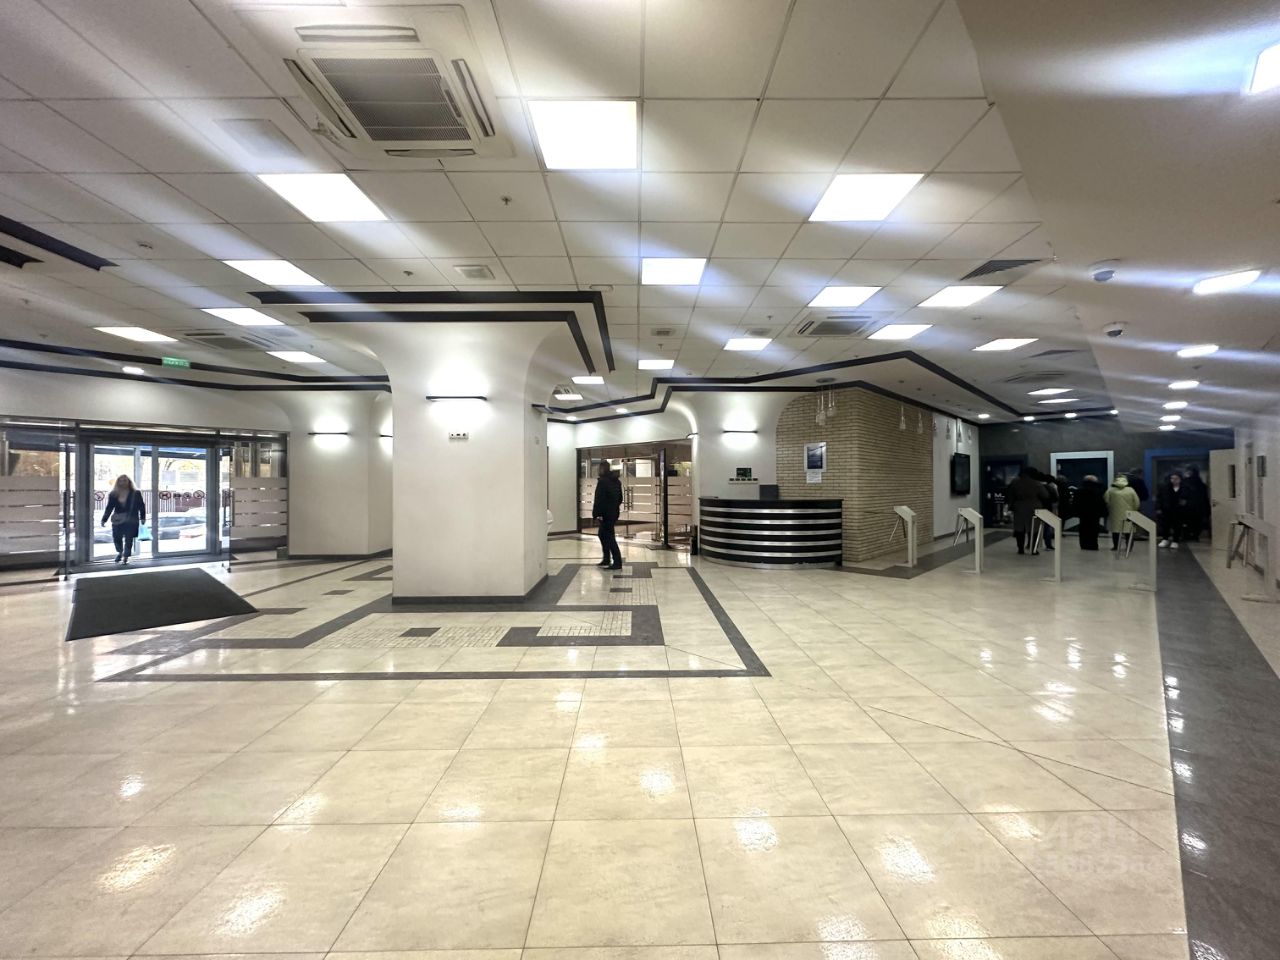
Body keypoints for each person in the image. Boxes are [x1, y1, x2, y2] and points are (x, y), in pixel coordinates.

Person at [100, 474, 146, 565]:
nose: (123, 482)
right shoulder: (113, 494)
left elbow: (141, 506)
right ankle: (120, 552)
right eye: (120, 480)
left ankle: (126, 556)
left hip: (132, 519)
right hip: (118, 519)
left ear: (129, 482)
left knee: (129, 538)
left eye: (125, 480)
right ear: (117, 482)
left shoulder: (136, 493)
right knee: (117, 537)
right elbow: (109, 507)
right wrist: (104, 519)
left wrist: (143, 517)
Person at [1006, 467, 1049, 555]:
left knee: (1019, 529)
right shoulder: (1036, 483)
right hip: (1034, 507)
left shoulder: (1015, 483)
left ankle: (1020, 549)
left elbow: (1010, 494)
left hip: (1019, 507)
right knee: (1034, 529)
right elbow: (1045, 495)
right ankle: (1033, 549)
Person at [591, 459, 623, 571]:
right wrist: (613, 508)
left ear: (602, 469)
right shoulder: (616, 481)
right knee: (603, 535)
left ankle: (617, 561)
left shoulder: (603, 482)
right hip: (613, 513)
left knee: (608, 537)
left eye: (599, 468)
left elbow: (599, 499)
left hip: (605, 514)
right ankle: (606, 558)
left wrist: (596, 514)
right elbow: (620, 499)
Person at [1103, 474, 1140, 551]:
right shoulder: (1131, 490)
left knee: (1115, 531)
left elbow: (1106, 500)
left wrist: (1110, 508)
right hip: (1129, 514)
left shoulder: (1110, 490)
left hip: (1114, 514)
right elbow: (1137, 502)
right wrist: (1134, 510)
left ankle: (1116, 546)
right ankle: (1129, 547)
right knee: (1128, 531)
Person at [1074, 474, 1106, 551]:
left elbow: (1076, 503)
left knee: (1083, 529)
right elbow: (1101, 503)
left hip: (1083, 513)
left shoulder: (1079, 490)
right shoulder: (1098, 490)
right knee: (1094, 529)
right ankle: (1093, 545)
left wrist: (1076, 512)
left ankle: (1083, 544)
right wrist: (1103, 512)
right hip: (1095, 514)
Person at [1157, 472, 1188, 549]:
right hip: (1167, 510)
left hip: (1179, 510)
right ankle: (1165, 539)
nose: (1174, 480)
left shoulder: (1184, 488)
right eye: (1172, 478)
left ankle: (1175, 541)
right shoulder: (1165, 488)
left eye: (1176, 478)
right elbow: (1160, 498)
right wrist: (1159, 508)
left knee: (1177, 525)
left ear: (1180, 479)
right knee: (1166, 525)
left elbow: (1188, 498)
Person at [1183, 467, 1210, 541]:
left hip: (1189, 506)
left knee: (1188, 522)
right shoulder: (1201, 484)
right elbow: (1204, 498)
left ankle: (1188, 535)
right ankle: (1194, 536)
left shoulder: (1185, 483)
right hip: (1197, 507)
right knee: (1196, 523)